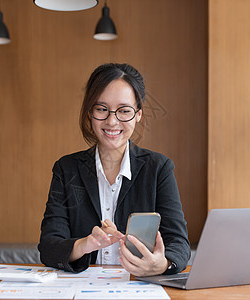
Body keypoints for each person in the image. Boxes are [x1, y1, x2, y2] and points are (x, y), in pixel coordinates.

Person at [38, 63, 190, 277]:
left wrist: (162, 264)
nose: (111, 121)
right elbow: (48, 247)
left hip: (138, 289)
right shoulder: (66, 169)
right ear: (89, 112)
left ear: (138, 114)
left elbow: (179, 244)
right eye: (101, 109)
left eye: (124, 111)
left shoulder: (159, 168)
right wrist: (84, 245)